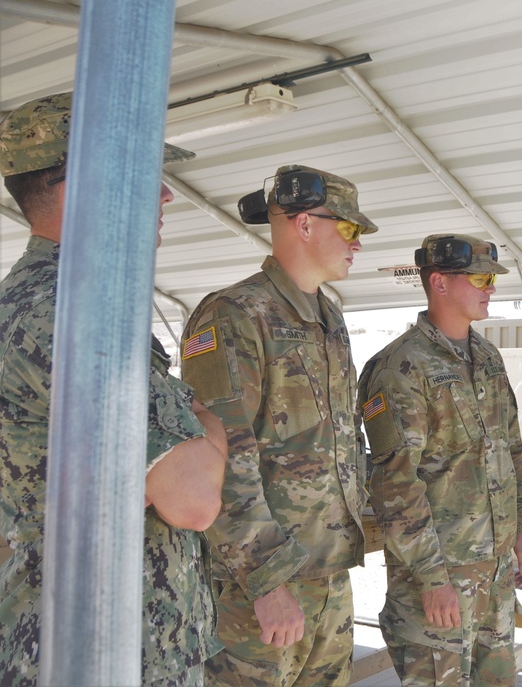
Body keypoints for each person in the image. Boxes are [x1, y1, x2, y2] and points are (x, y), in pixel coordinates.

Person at [0, 92, 228, 685]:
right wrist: (209, 427)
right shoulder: (74, 312)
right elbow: (193, 495)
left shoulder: (39, 301)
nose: (165, 194)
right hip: (105, 653)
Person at [179, 165, 377, 686]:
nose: (358, 244)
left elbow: (341, 441)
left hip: (326, 573)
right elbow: (223, 456)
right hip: (260, 585)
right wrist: (267, 582)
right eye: (350, 229)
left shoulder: (330, 318)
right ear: (304, 224)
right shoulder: (233, 314)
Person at [358, 233, 522, 686]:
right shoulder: (400, 366)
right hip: (438, 584)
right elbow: (396, 484)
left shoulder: (487, 357)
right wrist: (431, 579)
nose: (491, 288)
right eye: (480, 278)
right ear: (439, 283)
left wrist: (520, 531)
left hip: (494, 579)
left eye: (492, 279)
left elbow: (509, 451)